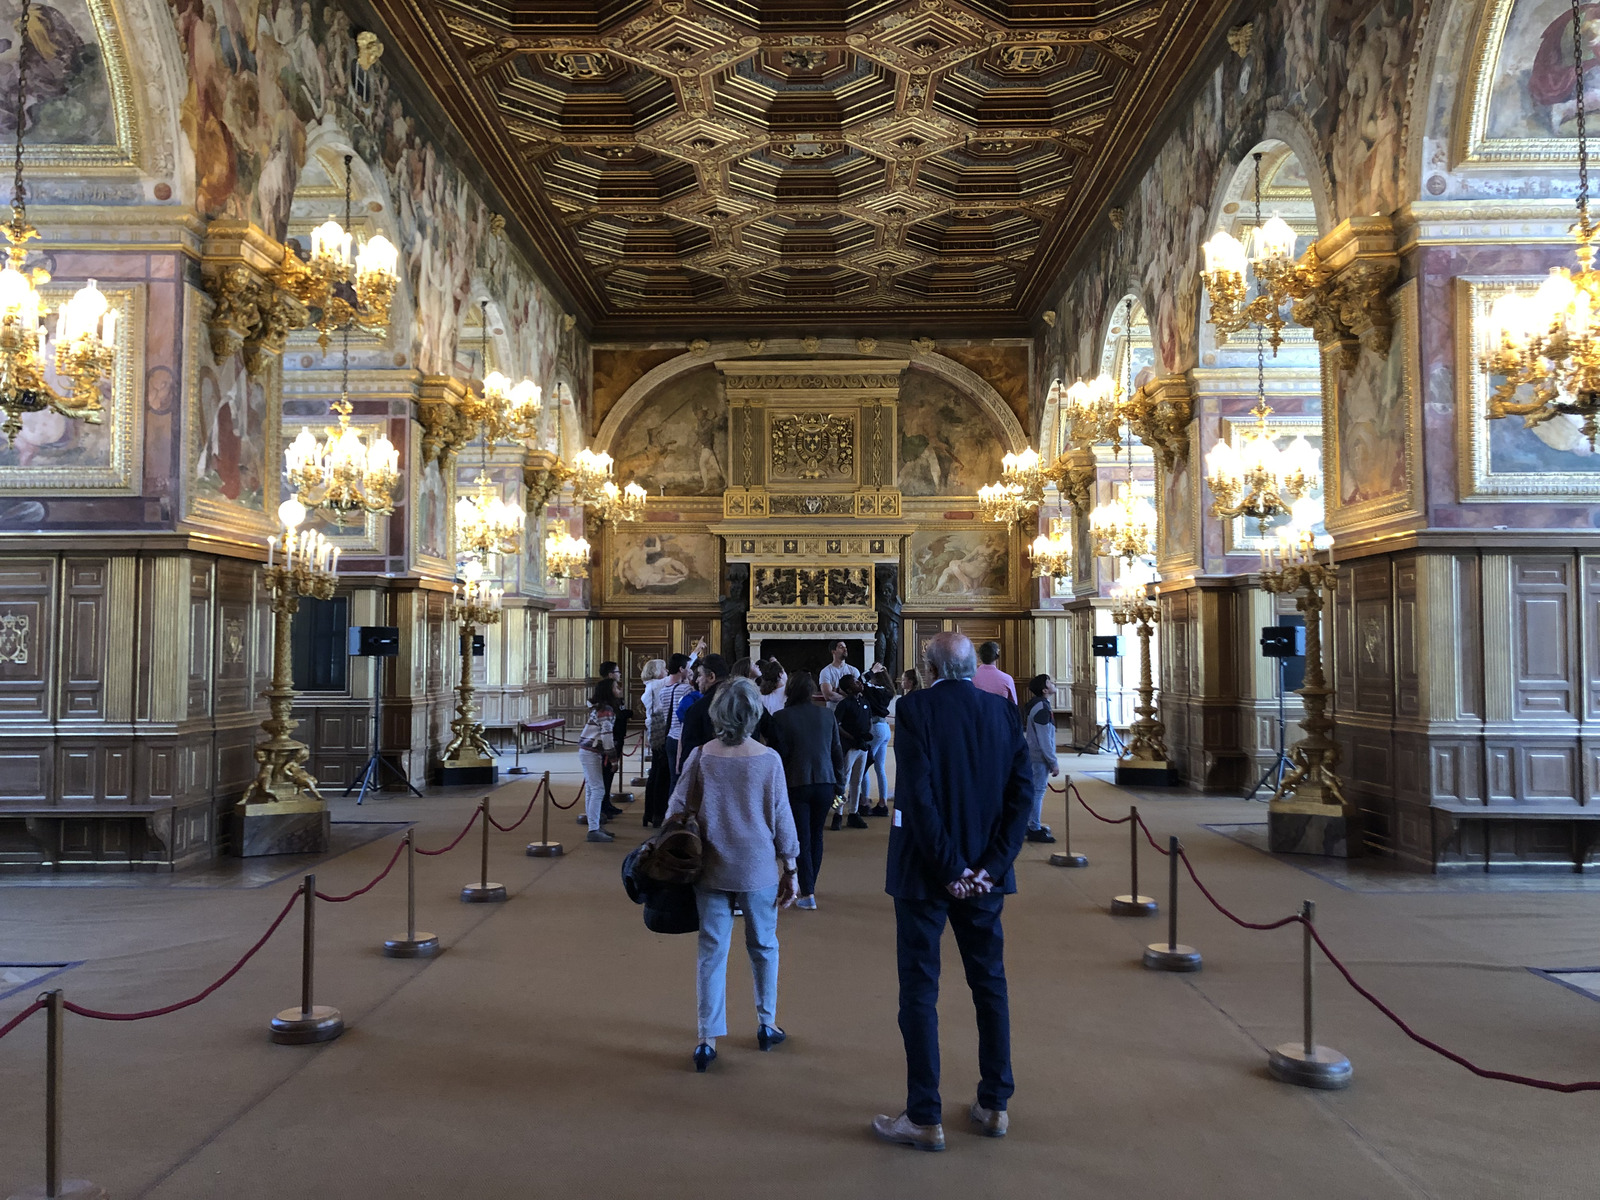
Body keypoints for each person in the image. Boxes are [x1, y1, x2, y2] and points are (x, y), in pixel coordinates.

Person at [872, 632, 1032, 1152]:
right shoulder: (1005, 713)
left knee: (920, 990)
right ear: (971, 666)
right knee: (991, 985)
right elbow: (1020, 798)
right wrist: (988, 868)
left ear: (928, 667)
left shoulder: (915, 709)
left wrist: (949, 869)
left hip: (924, 874)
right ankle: (994, 1105)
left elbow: (917, 797)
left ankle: (924, 1117)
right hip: (984, 878)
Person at [665, 678, 799, 1072]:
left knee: (712, 950)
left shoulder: (702, 756)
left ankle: (707, 1038)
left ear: (717, 713)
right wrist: (791, 866)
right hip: (757, 868)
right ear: (755, 713)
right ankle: (766, 1023)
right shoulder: (768, 759)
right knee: (763, 946)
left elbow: (677, 806)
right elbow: (782, 819)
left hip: (711, 866)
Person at [765, 671, 845, 911]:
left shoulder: (780, 717)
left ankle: (807, 891)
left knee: (800, 838)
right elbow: (836, 753)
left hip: (795, 783)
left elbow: (778, 756)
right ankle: (809, 886)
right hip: (825, 783)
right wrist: (840, 786)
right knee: (816, 836)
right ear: (811, 692)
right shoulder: (827, 716)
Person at [645, 654, 693, 828]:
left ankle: (668, 817)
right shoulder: (686, 690)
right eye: (687, 667)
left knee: (673, 778)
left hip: (669, 737)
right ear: (681, 669)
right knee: (681, 779)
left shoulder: (664, 690)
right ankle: (676, 818)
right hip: (681, 738)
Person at [576, 683, 622, 843]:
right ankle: (593, 829)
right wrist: (614, 759)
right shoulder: (606, 710)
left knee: (591, 789)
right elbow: (607, 737)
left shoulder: (601, 708)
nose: (619, 690)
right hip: (591, 751)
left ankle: (594, 825)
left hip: (588, 750)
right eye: (616, 687)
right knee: (597, 790)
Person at [1021, 675, 1060, 844]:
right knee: (1038, 791)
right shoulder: (1042, 708)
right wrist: (1053, 761)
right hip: (1038, 757)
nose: (1053, 684)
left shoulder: (1038, 705)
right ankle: (1034, 828)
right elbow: (1045, 739)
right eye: (1050, 682)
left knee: (1035, 791)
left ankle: (1031, 824)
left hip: (1033, 754)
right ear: (1045, 690)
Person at [833, 674, 873, 830]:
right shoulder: (844, 704)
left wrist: (866, 735)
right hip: (849, 746)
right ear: (849, 689)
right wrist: (852, 738)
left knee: (857, 781)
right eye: (856, 683)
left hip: (862, 746)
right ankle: (838, 813)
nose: (860, 683)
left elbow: (868, 720)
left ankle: (853, 812)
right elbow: (837, 724)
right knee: (843, 781)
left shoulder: (864, 702)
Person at [678, 654, 730, 770]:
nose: (696, 680)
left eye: (700, 675)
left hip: (709, 772)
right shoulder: (745, 702)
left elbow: (689, 754)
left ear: (711, 677)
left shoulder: (697, 708)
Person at [862, 665, 895, 816]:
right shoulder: (887, 691)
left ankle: (864, 801)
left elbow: (860, 681)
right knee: (880, 768)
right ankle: (882, 803)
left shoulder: (873, 690)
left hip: (874, 728)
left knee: (863, 765)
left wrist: (871, 672)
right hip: (885, 728)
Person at [819, 640, 861, 709]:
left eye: (845, 647)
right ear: (833, 651)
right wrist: (848, 696)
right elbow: (828, 695)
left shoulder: (853, 670)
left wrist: (836, 690)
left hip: (852, 713)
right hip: (833, 713)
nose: (845, 649)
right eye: (841, 647)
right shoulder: (825, 671)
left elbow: (859, 693)